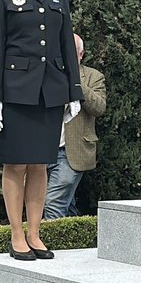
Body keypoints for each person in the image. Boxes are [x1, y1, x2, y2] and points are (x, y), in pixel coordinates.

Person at [0, 0, 83, 261]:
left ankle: (36, 233)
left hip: (49, 90)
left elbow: (66, 46)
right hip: (15, 91)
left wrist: (74, 90)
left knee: (40, 163)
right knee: (15, 164)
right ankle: (16, 235)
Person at [44, 35, 107, 219]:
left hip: (71, 152)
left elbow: (99, 107)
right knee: (65, 204)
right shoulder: (46, 74)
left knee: (53, 203)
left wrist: (76, 82)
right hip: (43, 150)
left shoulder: (93, 77)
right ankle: (75, 242)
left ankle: (50, 245)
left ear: (81, 54)